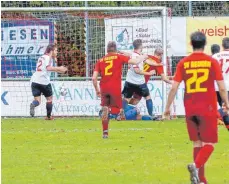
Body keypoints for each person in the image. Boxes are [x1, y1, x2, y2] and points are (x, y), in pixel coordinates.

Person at [164, 31, 229, 184]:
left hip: (190, 108)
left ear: (191, 44)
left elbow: (173, 87)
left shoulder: (183, 63)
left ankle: (201, 180)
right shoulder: (210, 61)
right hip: (208, 108)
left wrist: (167, 108)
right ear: (205, 44)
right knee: (210, 144)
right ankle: (196, 166)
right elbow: (221, 87)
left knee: (197, 143)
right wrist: (226, 102)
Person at [92, 41, 147, 138]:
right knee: (119, 110)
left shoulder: (100, 61)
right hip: (115, 88)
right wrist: (143, 56)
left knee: (105, 108)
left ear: (107, 49)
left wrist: (97, 90)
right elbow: (135, 62)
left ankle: (105, 132)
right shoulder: (118, 57)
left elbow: (94, 78)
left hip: (104, 88)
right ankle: (116, 114)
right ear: (115, 49)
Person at [122, 39, 163, 117]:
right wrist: (149, 73)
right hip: (138, 82)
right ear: (140, 46)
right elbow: (137, 71)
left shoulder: (136, 54)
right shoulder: (135, 56)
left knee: (127, 99)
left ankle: (121, 114)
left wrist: (159, 64)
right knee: (147, 97)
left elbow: (149, 62)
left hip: (130, 81)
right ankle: (151, 115)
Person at [30, 44, 68, 120]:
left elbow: (45, 69)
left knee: (37, 101)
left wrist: (59, 70)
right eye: (56, 50)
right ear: (52, 51)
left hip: (34, 81)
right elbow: (48, 68)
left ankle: (33, 104)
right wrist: (59, 68)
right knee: (49, 99)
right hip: (44, 82)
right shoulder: (48, 58)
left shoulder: (41, 57)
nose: (57, 52)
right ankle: (48, 116)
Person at [212, 38, 229, 131]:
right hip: (228, 87)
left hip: (217, 86)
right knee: (225, 110)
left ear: (222, 45)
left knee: (222, 109)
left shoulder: (215, 56)